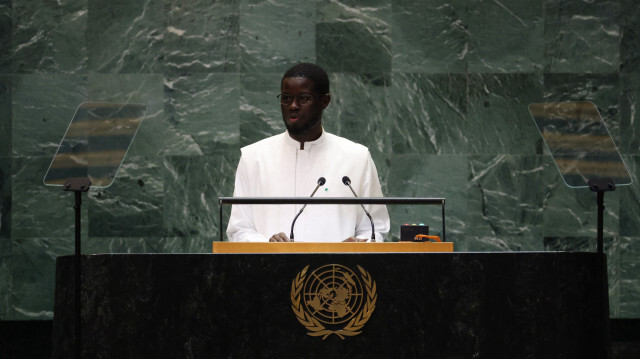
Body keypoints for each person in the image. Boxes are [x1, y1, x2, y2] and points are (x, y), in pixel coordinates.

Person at [226, 63, 390, 242]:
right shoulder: (253, 158)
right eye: (286, 98)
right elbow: (239, 229)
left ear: (324, 101)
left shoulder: (357, 157)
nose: (293, 106)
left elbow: (375, 228)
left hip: (335, 269)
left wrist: (354, 248)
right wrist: (268, 246)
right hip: (270, 268)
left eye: (304, 98)